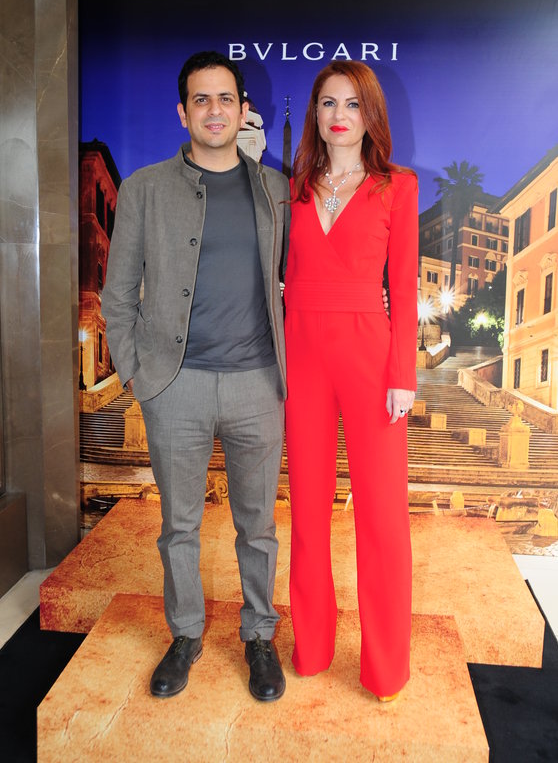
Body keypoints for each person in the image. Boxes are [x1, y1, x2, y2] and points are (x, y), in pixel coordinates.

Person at [102, 51, 289, 702]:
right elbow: (117, 294)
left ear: (244, 110)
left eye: (225, 98)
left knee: (257, 526)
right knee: (178, 525)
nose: (214, 110)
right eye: (201, 100)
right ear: (183, 113)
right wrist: (136, 372)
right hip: (173, 386)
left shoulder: (276, 190)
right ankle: (184, 634)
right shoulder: (145, 189)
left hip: (257, 385)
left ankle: (259, 635)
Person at [284, 60, 418, 701]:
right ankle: (310, 648)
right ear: (315, 114)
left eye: (352, 104)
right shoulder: (293, 189)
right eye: (328, 103)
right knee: (307, 512)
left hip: (372, 359)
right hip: (302, 359)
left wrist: (403, 375)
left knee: (383, 517)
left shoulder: (397, 187)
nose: (339, 115)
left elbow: (405, 289)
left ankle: (385, 668)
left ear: (370, 115)